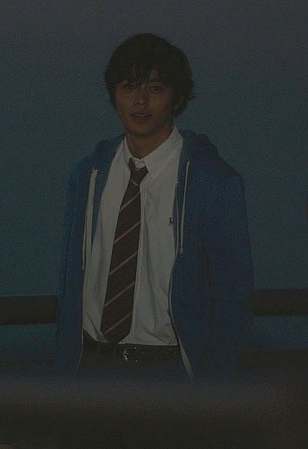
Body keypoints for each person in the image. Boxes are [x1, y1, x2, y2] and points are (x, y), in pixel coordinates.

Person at [55, 33, 253, 385]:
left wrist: (212, 388)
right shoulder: (88, 175)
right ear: (114, 95)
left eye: (156, 88)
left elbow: (232, 295)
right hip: (92, 369)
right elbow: (71, 278)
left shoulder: (212, 182)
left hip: (171, 374)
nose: (141, 100)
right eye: (129, 87)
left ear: (176, 96)